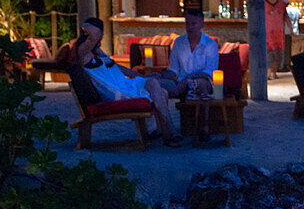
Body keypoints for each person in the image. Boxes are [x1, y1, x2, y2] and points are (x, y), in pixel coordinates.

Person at [70, 18, 183, 147]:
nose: (101, 35)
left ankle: (161, 132)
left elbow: (119, 68)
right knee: (154, 84)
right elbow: (94, 33)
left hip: (125, 85)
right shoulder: (83, 53)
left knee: (161, 90)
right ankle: (170, 132)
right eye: (101, 32)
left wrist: (142, 76)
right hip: (116, 92)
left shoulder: (98, 52)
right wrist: (84, 26)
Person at [160, 9, 220, 142]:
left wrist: (189, 78)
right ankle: (164, 127)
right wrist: (160, 76)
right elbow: (174, 70)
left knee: (201, 84)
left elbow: (210, 71)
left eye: (193, 23)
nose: (190, 27)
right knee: (157, 86)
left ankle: (204, 127)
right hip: (181, 83)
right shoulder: (179, 42)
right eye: (187, 23)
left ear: (201, 24)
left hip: (202, 81)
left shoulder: (210, 44)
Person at [264, 0, 291, 80]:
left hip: (279, 33)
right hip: (266, 33)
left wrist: (291, 29)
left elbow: (286, 16)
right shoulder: (262, 3)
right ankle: (269, 72)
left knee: (277, 53)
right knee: (268, 52)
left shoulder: (281, 3)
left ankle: (274, 72)